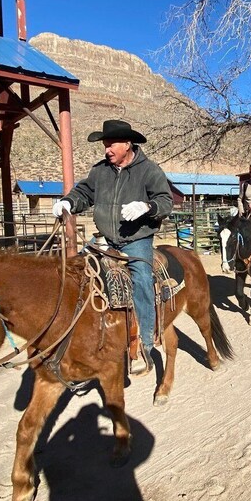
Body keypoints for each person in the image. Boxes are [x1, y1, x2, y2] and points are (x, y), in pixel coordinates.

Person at [52, 119, 173, 376]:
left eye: (111, 145)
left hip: (136, 239)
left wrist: (148, 207)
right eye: (105, 145)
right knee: (75, 272)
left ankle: (145, 344)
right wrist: (68, 202)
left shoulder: (149, 170)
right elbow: (84, 193)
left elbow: (164, 199)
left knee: (140, 277)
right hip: (105, 240)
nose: (106, 150)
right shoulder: (100, 171)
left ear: (127, 144)